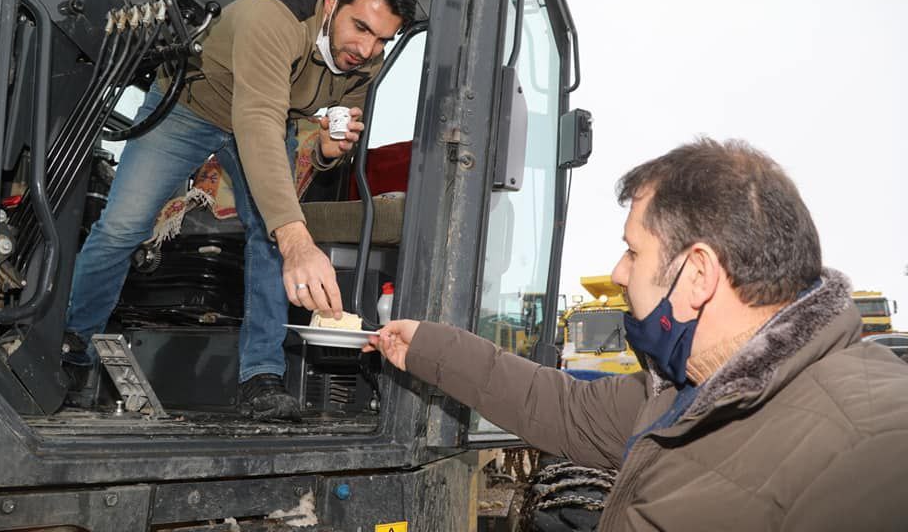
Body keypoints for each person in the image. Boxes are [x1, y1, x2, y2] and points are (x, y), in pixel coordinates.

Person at [366, 138, 908, 530]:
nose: (620, 272)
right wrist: (426, 346)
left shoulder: (872, 454)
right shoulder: (686, 391)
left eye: (633, 251)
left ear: (697, 275)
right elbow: (559, 406)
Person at [62, 0, 417, 421]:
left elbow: (311, 126)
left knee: (266, 238)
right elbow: (257, 120)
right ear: (331, 2)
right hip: (190, 105)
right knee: (123, 226)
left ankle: (261, 378)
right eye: (362, 29)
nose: (368, 50)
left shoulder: (368, 61)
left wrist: (325, 152)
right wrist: (295, 240)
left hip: (272, 119)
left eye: (383, 40)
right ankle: (73, 351)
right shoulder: (270, 19)